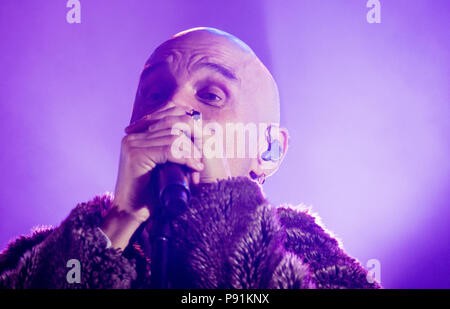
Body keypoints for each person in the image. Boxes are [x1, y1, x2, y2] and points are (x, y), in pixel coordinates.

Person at [0, 27, 380, 289]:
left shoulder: (311, 255)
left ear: (270, 150)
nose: (173, 106)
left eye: (211, 95)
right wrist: (119, 222)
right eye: (154, 94)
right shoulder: (46, 257)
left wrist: (221, 212)